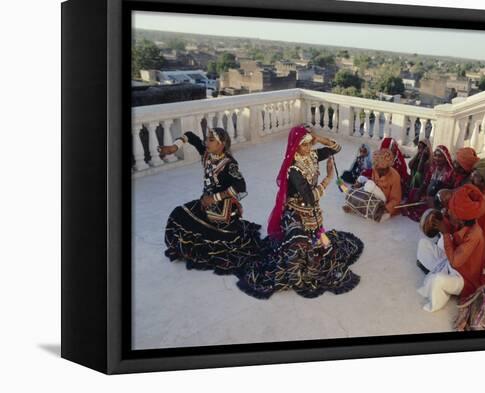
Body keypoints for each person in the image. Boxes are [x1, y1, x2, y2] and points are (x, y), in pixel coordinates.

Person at [236, 125, 363, 299]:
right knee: (297, 252)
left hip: (312, 214)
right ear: (295, 146)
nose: (309, 148)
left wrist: (318, 138)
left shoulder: (312, 156)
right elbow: (310, 197)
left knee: (322, 247)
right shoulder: (294, 169)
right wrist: (328, 178)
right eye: (304, 144)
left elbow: (336, 148)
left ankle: (314, 240)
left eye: (310, 144)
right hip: (295, 212)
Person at [159, 127, 262, 275]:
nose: (206, 142)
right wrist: (175, 147)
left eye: (211, 140)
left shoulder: (229, 164)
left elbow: (241, 186)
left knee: (216, 242)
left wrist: (214, 198)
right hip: (204, 204)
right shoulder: (207, 154)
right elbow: (189, 135)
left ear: (221, 144)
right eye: (207, 139)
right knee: (178, 214)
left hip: (222, 212)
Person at [416, 184, 485, 312]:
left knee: (437, 280)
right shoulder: (462, 222)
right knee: (423, 244)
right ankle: (437, 272)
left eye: (451, 211)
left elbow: (455, 262)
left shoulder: (475, 235)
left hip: (463, 278)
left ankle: (440, 291)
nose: (449, 212)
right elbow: (450, 229)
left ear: (461, 219)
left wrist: (445, 234)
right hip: (450, 263)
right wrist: (437, 222)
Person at [344, 148, 402, 222]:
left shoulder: (395, 176)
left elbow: (396, 199)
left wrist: (386, 208)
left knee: (380, 218)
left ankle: (375, 211)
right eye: (378, 168)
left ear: (388, 165)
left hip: (384, 201)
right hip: (374, 195)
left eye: (383, 168)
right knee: (364, 189)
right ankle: (353, 207)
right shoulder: (375, 168)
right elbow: (373, 186)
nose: (380, 170)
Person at [404, 144, 455, 222]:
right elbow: (426, 182)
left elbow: (448, 191)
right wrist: (420, 191)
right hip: (428, 195)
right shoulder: (432, 167)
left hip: (439, 200)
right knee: (413, 192)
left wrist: (433, 199)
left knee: (428, 211)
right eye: (435, 156)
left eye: (440, 156)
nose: (437, 158)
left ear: (445, 158)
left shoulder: (450, 172)